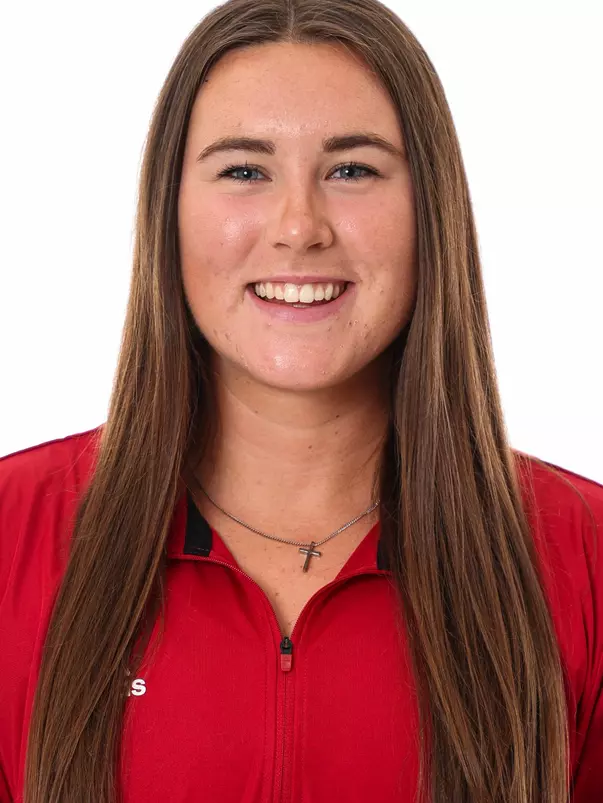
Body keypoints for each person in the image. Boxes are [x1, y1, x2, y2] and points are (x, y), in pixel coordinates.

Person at [1, 0, 602, 801]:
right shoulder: (11, 533)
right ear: (167, 211)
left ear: (432, 210)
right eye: (244, 170)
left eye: (352, 169)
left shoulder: (586, 555)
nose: (298, 226)